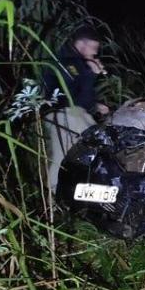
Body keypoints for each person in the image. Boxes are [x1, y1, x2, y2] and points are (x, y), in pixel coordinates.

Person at [43, 26, 109, 191]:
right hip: (60, 114)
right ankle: (51, 199)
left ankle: (77, 195)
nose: (95, 53)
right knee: (62, 156)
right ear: (82, 44)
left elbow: (81, 99)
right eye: (94, 48)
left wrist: (95, 105)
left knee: (98, 145)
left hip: (75, 113)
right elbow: (71, 100)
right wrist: (91, 74)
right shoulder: (66, 63)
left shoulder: (79, 63)